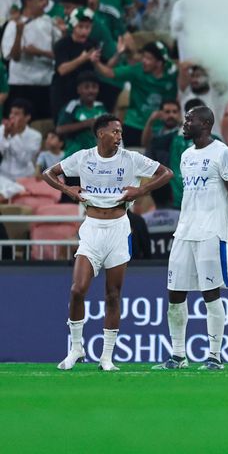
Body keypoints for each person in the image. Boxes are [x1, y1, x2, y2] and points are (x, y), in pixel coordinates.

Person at [43, 113, 172, 371]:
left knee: (113, 294)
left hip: (118, 228)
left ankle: (106, 357)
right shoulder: (83, 158)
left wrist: (140, 190)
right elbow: (49, 173)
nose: (119, 137)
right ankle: (76, 349)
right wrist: (69, 190)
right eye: (114, 132)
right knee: (77, 290)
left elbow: (166, 173)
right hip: (91, 228)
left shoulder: (131, 159)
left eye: (121, 132)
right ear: (101, 133)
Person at [152, 106, 228, 371]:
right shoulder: (185, 155)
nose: (185, 123)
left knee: (210, 295)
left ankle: (214, 357)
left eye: (190, 119)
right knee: (175, 295)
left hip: (211, 232)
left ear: (206, 123)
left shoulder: (224, 154)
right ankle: (177, 356)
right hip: (184, 232)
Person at [93, 41, 178, 147]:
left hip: (160, 128)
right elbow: (110, 73)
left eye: (149, 58)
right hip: (134, 125)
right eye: (144, 57)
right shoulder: (137, 70)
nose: (144, 61)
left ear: (159, 62)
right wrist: (96, 63)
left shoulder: (172, 73)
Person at [2, 0, 59, 119]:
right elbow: (12, 57)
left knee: (43, 122)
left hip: (44, 82)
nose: (45, 3)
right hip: (20, 82)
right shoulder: (13, 25)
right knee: (17, 121)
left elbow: (58, 55)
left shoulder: (49, 23)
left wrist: (39, 52)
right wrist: (19, 33)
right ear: (28, 1)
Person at [56, 70, 106, 157]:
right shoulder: (72, 106)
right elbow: (59, 129)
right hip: (74, 155)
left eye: (94, 87)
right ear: (79, 89)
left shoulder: (101, 107)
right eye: (86, 87)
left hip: (96, 155)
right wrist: (86, 124)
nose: (91, 90)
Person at [0, 98, 40, 180]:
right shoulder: (2, 129)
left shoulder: (35, 136)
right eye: (11, 113)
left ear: (27, 117)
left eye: (16, 114)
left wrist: (14, 135)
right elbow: (1, 152)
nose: (12, 116)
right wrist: (5, 135)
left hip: (24, 177)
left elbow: (24, 160)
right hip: (3, 176)